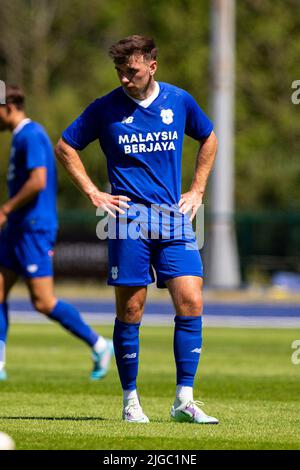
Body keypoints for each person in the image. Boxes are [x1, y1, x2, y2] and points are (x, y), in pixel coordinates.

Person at [55, 35, 218, 424]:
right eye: (120, 72)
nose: (125, 79)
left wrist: (197, 189)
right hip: (128, 221)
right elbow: (65, 146)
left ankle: (184, 399)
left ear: (152, 67)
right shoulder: (104, 109)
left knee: (192, 301)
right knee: (131, 309)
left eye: (131, 71)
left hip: (175, 219)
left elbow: (209, 137)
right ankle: (131, 401)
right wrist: (94, 193)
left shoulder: (179, 101)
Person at [0, 85, 114, 382]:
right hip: (17, 229)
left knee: (43, 301)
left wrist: (6, 209)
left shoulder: (32, 135)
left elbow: (38, 181)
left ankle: (99, 344)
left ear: (9, 107)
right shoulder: (18, 138)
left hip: (33, 228)